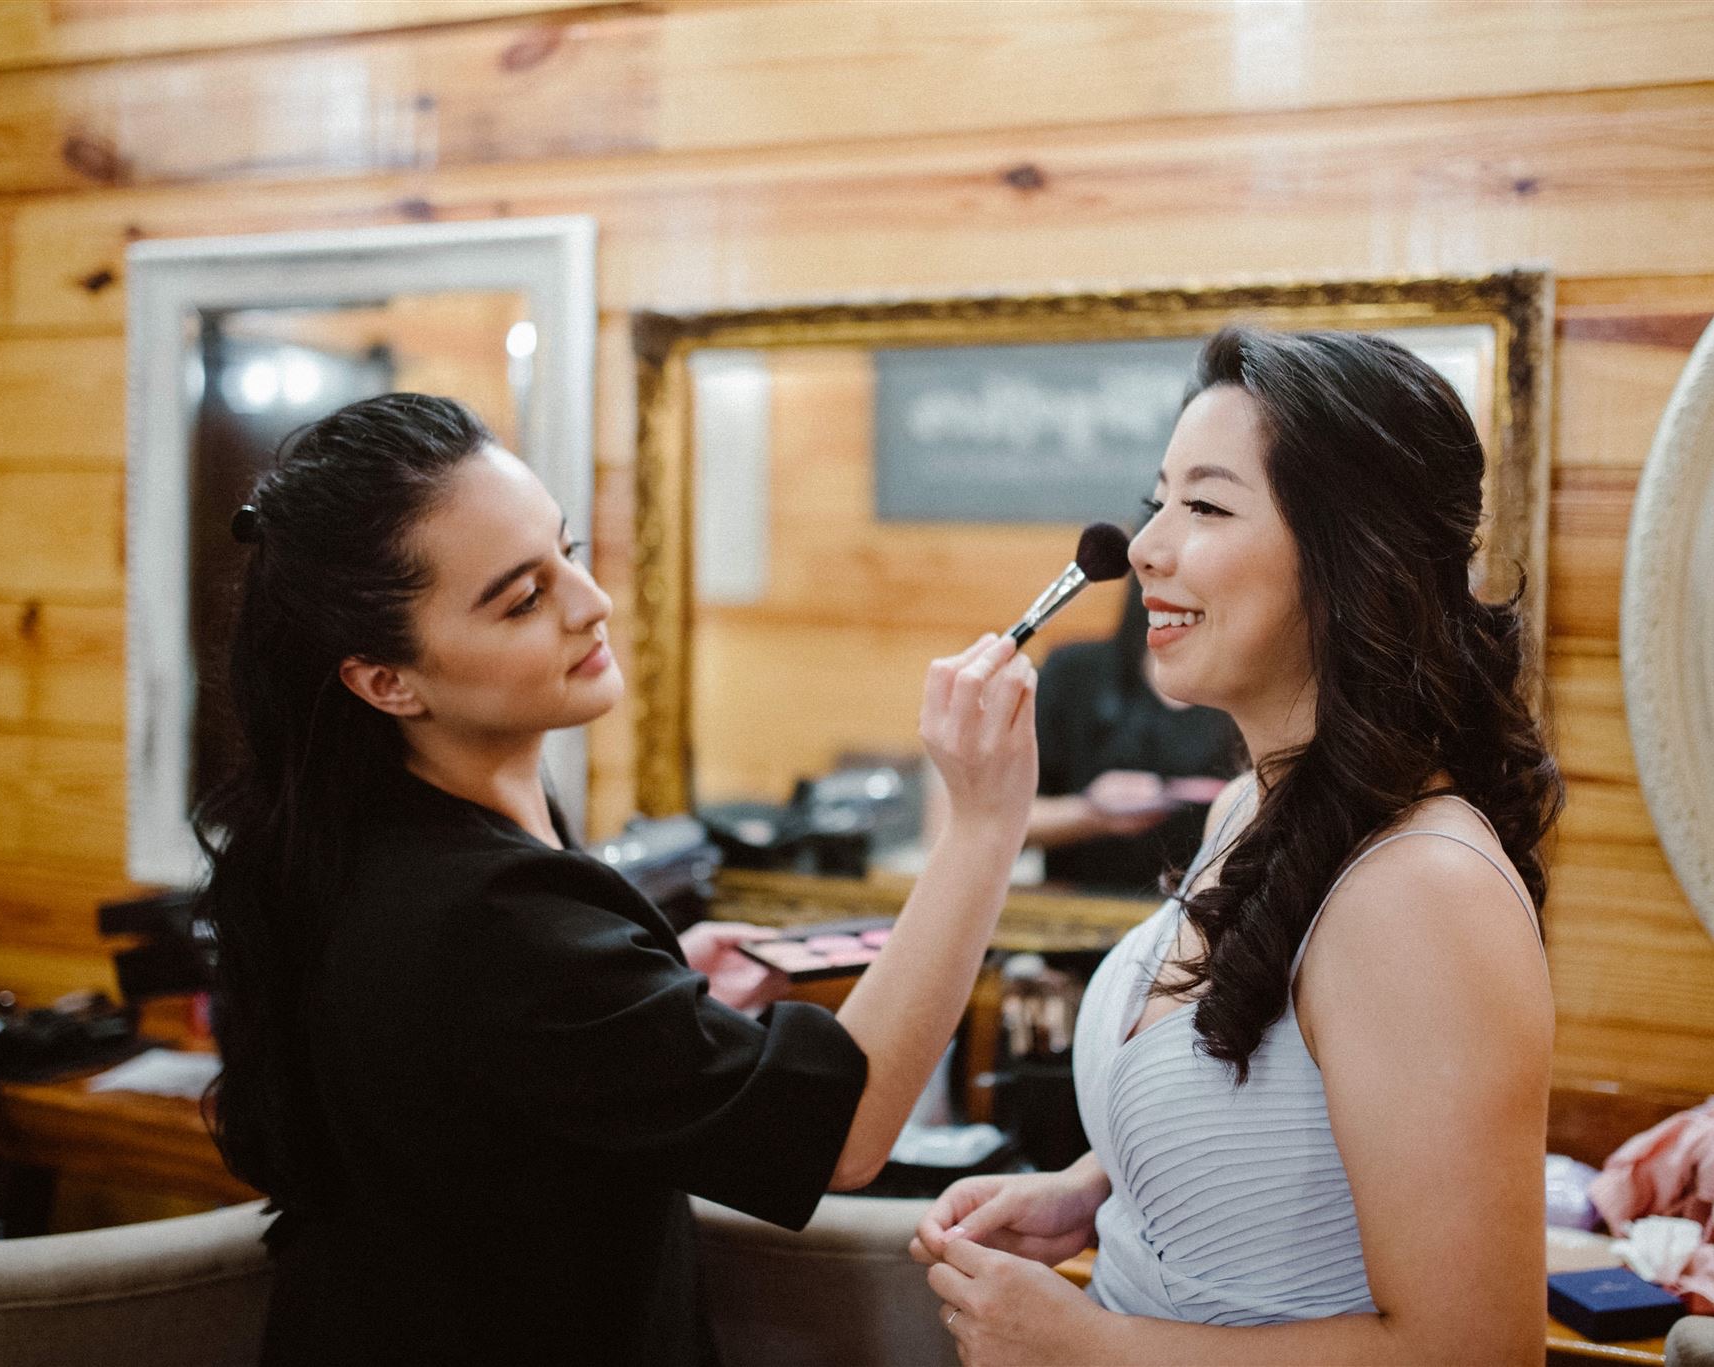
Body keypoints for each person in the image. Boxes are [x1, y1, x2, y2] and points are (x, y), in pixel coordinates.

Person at [195, 394, 1039, 1365]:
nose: (589, 601)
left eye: (569, 548)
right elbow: (838, 1133)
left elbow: (485, 1054)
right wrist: (981, 825)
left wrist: (644, 1003)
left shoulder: (366, 843)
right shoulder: (485, 914)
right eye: (521, 598)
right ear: (387, 679)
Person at [912, 327, 1563, 1365]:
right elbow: (1280, 1124)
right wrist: (1092, 1187)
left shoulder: (1421, 890)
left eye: (1205, 506)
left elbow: (1472, 1349)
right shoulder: (1239, 810)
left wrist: (1095, 1347)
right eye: (1156, 498)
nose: (1143, 547)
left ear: (1351, 557)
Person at [1024, 575, 1242, 897]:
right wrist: (1089, 812)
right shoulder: (1074, 675)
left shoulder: (1254, 685)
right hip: (1083, 912)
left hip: (1212, 920)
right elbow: (997, 825)